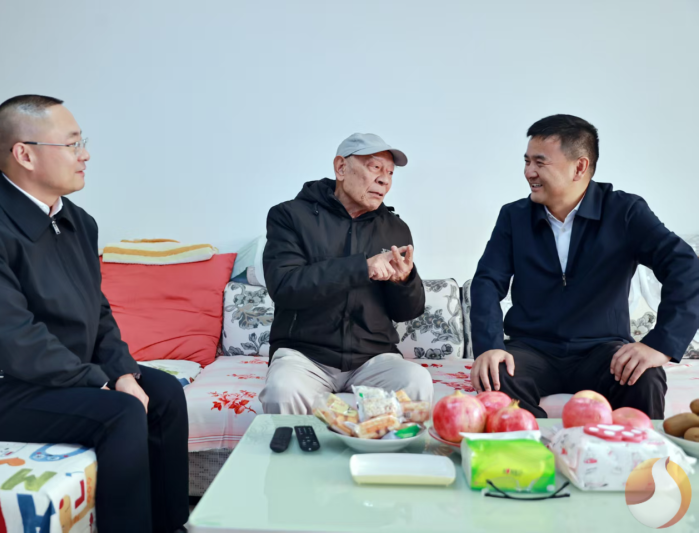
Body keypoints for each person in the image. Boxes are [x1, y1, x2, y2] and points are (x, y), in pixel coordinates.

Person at [0, 95, 189, 533]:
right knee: (121, 412)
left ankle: (170, 526)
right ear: (24, 154)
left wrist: (122, 372)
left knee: (162, 392)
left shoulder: (78, 222)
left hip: (53, 378)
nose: (84, 155)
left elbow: (97, 311)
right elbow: (13, 338)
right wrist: (101, 383)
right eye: (71, 144)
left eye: (82, 142)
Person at [469, 114, 699, 418]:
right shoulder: (514, 216)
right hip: (531, 349)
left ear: (579, 167)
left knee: (644, 376)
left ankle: (631, 450)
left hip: (603, 350)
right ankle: (532, 447)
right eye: (526, 161)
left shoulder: (625, 212)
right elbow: (487, 281)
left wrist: (661, 344)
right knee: (495, 377)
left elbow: (686, 268)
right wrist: (489, 346)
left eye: (540, 162)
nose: (528, 172)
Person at [258, 133, 433, 414]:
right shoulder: (289, 216)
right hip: (305, 358)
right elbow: (285, 287)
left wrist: (404, 281)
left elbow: (408, 312)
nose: (384, 180)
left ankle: (390, 446)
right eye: (375, 167)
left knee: (415, 380)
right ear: (341, 168)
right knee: (282, 389)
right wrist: (363, 267)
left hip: (373, 359)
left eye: (390, 173)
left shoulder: (395, 228)